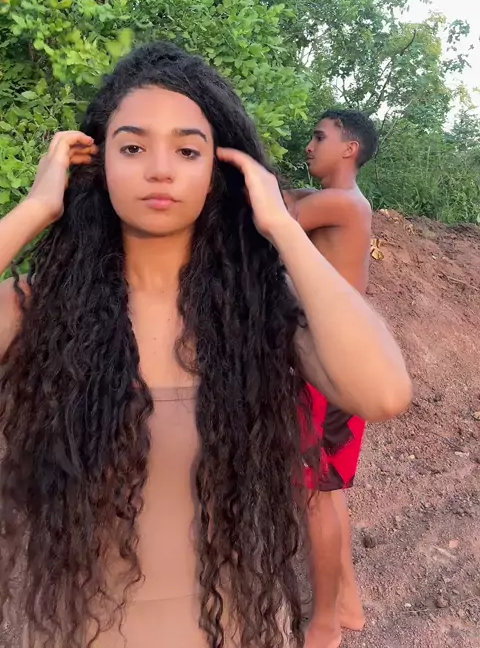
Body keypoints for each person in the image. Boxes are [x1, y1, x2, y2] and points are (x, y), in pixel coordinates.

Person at [0, 45, 410, 648]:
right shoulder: (34, 309)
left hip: (233, 631)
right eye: (132, 148)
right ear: (97, 162)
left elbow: (385, 393)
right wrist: (36, 208)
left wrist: (281, 229)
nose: (159, 170)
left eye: (187, 151)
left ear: (219, 171)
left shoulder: (258, 314)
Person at [285, 110, 380, 648]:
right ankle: (348, 605)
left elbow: (275, 214)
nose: (310, 145)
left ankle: (325, 624)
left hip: (331, 365)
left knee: (316, 495)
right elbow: (288, 197)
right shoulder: (340, 201)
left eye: (319, 137)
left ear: (349, 149)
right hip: (335, 361)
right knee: (328, 490)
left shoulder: (343, 204)